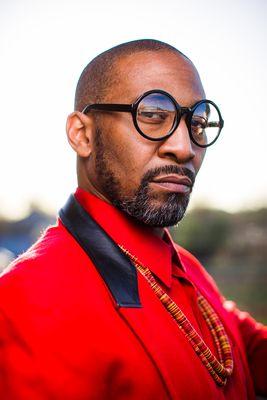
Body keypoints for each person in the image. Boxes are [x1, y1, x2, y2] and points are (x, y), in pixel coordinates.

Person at [0, 39, 266, 400]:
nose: (185, 148)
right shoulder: (30, 299)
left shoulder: (184, 265)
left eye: (198, 123)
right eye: (154, 116)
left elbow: (247, 351)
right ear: (83, 134)